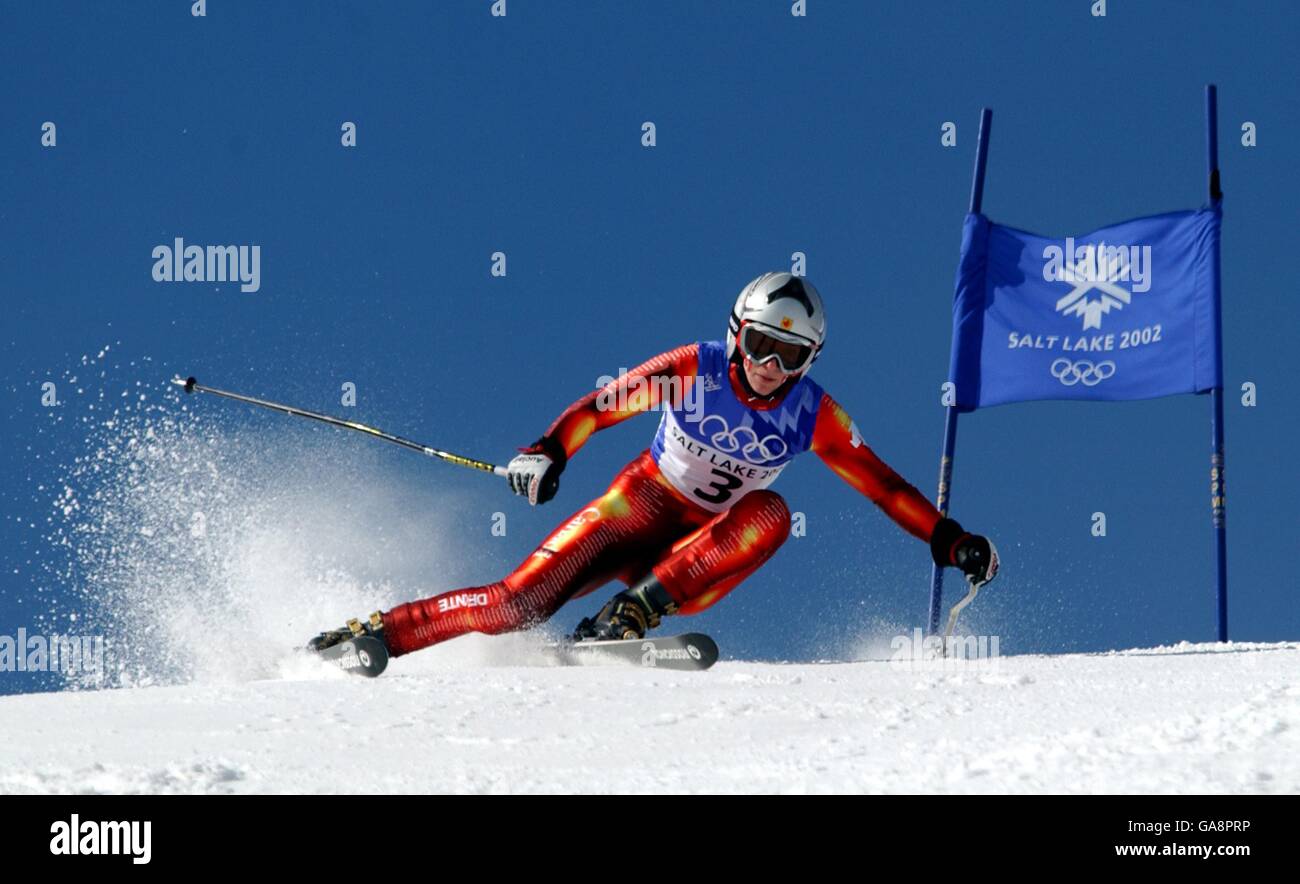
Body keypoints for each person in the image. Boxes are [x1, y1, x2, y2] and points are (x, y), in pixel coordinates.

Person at [309, 272, 998, 657]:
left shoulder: (813, 415)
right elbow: (602, 408)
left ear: (809, 362)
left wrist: (949, 538)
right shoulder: (693, 369)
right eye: (760, 345)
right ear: (737, 334)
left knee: (771, 514)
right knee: (516, 605)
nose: (767, 368)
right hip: (632, 510)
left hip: (697, 556)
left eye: (787, 357)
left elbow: (880, 484)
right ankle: (376, 634)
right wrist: (549, 452)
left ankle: (632, 614)